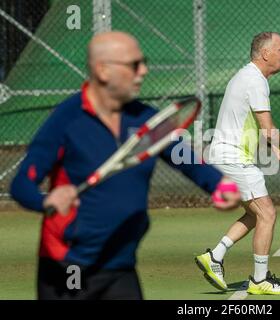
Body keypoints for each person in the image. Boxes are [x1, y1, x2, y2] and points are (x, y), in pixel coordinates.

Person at [9, 31, 240, 300]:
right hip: (68, 266)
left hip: (121, 268)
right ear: (103, 70)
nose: (143, 71)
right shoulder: (66, 119)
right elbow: (21, 183)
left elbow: (185, 158)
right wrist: (47, 201)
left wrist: (218, 184)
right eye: (134, 64)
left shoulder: (145, 119)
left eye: (143, 62)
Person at [195, 32, 280, 295]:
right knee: (267, 213)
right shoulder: (255, 81)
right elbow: (267, 128)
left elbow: (250, 127)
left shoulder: (248, 77)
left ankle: (214, 256)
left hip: (225, 155)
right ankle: (259, 280)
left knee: (254, 214)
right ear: (266, 54)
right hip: (233, 158)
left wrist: (275, 149)